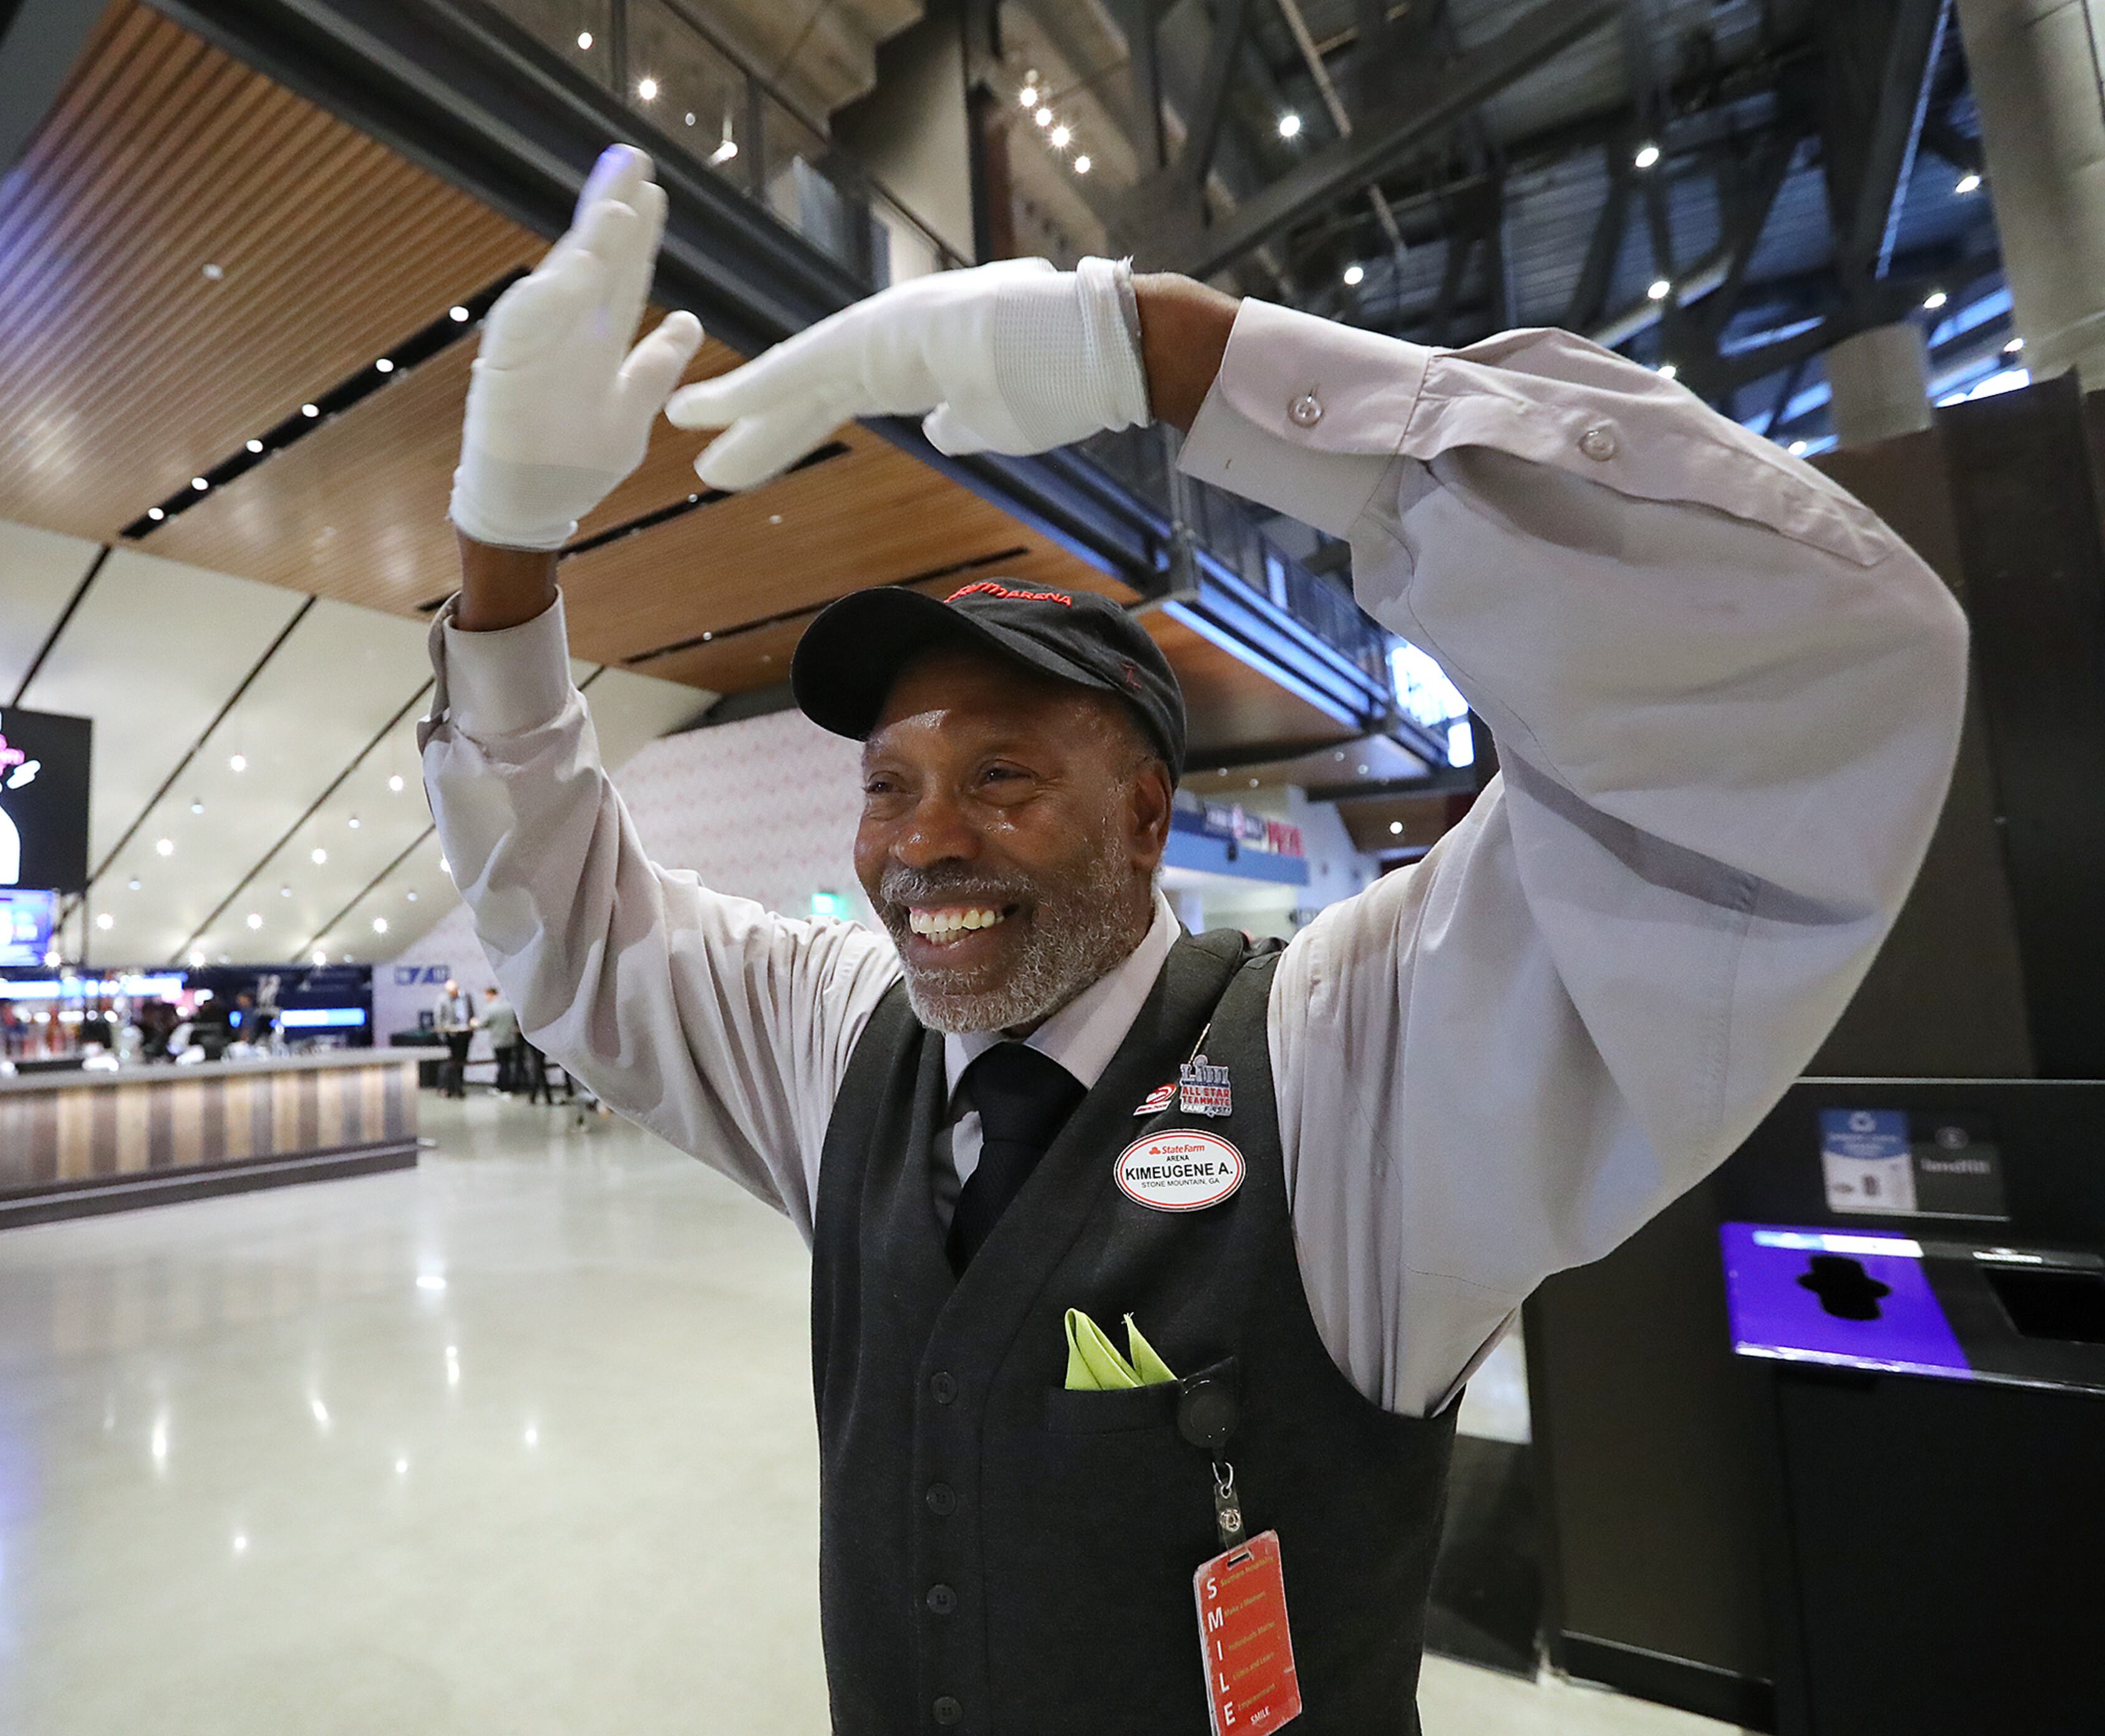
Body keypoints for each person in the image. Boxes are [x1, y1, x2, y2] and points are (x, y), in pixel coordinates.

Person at [420, 147, 1966, 1734]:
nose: (922, 840)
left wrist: (1166, 351)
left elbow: (1809, 676)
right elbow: (580, 926)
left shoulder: (1353, 1063)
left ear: (1148, 816)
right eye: (888, 784)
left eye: (1000, 774)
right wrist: (505, 552)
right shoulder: (845, 1040)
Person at [479, 986, 527, 1096]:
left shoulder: (490, 1008)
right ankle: (509, 1086)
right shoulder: (509, 1006)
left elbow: (482, 1024)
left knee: (502, 1065)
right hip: (511, 1039)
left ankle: (503, 1087)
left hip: (498, 1041)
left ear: (490, 994)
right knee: (509, 1064)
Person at [430, 977, 473, 1097]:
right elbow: (438, 1018)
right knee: (448, 1062)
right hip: (449, 1035)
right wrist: (442, 1035)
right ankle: (445, 1087)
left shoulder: (466, 997)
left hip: (464, 1034)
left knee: (461, 1062)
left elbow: (471, 1013)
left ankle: (458, 1087)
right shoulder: (442, 1000)